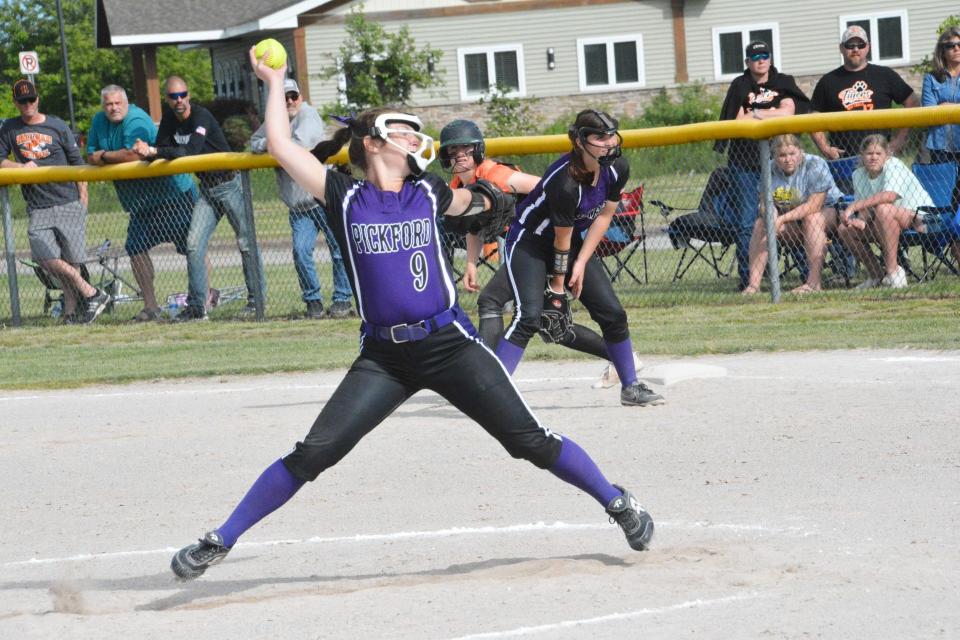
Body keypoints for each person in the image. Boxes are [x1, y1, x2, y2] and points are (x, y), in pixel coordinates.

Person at [169, 49, 654, 580]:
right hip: (384, 357)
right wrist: (276, 81)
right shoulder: (345, 195)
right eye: (403, 133)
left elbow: (497, 196)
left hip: (449, 344)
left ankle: (617, 502)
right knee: (314, 452)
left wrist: (492, 202)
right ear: (374, 143)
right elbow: (282, 144)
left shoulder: (427, 190)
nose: (415, 141)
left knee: (528, 442)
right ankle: (221, 538)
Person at [439, 120, 639, 386]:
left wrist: (543, 215)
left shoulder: (497, 174)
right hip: (527, 250)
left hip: (535, 241)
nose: (460, 156)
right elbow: (472, 225)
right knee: (551, 324)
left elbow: (546, 187)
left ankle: (485, 379)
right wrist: (472, 264)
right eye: (453, 151)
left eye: (465, 149)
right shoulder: (458, 185)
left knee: (491, 301)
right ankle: (622, 358)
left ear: (478, 150)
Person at [490, 109, 663, 407]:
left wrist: (581, 262)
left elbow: (605, 216)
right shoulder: (565, 181)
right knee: (529, 316)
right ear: (580, 141)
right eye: (599, 137)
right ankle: (492, 397)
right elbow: (560, 240)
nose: (609, 143)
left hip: (572, 243)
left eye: (611, 135)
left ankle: (630, 387)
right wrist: (558, 288)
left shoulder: (617, 167)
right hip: (530, 241)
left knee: (613, 313)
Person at [133, 76, 265, 321]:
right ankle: (196, 307)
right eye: (173, 97)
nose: (179, 100)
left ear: (189, 95)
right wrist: (146, 151)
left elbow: (190, 151)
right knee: (193, 244)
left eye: (182, 95)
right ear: (167, 99)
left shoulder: (201, 116)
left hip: (230, 184)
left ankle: (257, 304)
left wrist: (155, 151)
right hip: (207, 188)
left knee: (247, 244)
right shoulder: (170, 119)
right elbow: (161, 150)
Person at [0, 79, 111, 324]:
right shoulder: (9, 128)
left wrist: (83, 197)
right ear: (15, 102)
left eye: (31, 99)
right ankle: (92, 293)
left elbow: (77, 163)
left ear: (37, 99)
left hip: (67, 200)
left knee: (71, 261)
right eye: (22, 101)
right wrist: (20, 166)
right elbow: (0, 160)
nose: (27, 104)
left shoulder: (57, 125)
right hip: (38, 205)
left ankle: (70, 314)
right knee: (44, 257)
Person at [86, 84, 199, 321]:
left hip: (173, 195)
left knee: (193, 248)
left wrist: (105, 156)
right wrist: (102, 156)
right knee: (135, 249)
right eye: (108, 104)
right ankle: (151, 307)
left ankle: (201, 300)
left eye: (118, 103)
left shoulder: (136, 119)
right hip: (141, 205)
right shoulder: (99, 121)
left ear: (127, 103)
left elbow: (133, 154)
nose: (113, 108)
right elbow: (89, 154)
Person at [250, 78, 354, 319]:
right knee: (300, 251)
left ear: (301, 97)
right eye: (284, 97)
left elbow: (299, 144)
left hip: (322, 196)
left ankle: (342, 300)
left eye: (293, 96)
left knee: (338, 249)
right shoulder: (274, 121)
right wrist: (271, 142)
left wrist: (274, 144)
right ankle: (313, 302)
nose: (289, 101)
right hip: (298, 205)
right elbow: (254, 143)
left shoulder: (308, 114)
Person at [715, 40, 809, 290]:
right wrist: (772, 111)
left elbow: (789, 113)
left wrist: (755, 114)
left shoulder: (783, 81)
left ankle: (807, 276)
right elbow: (735, 121)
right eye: (755, 57)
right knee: (747, 222)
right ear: (747, 61)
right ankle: (749, 280)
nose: (760, 60)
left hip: (781, 163)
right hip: (744, 163)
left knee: (790, 216)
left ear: (770, 57)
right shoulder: (740, 85)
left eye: (764, 55)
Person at [742, 134, 844, 295]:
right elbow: (764, 202)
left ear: (800, 152)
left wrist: (781, 219)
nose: (787, 159)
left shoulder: (815, 164)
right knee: (761, 224)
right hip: (791, 220)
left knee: (812, 219)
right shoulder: (769, 168)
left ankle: (813, 283)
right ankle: (753, 286)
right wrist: (771, 216)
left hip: (828, 214)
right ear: (774, 156)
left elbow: (814, 206)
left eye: (792, 154)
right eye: (782, 155)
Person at [837, 134, 933, 289]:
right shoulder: (858, 174)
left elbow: (889, 196)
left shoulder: (894, 165)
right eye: (869, 153)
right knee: (845, 229)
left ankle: (893, 271)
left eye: (878, 153)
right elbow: (866, 209)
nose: (873, 157)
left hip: (921, 217)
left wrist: (853, 207)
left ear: (886, 155)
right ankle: (876, 275)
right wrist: (860, 220)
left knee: (884, 209)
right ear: (862, 155)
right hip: (885, 222)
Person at [811, 26, 919, 163]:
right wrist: (826, 149)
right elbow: (813, 117)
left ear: (868, 47)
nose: (855, 49)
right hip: (844, 161)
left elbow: (912, 103)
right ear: (841, 48)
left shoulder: (885, 75)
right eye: (850, 45)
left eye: (860, 45)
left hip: (880, 157)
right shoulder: (828, 81)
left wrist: (898, 142)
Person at [921, 26, 960, 265]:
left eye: (959, 44)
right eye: (950, 45)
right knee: (947, 203)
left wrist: (944, 106)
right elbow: (928, 111)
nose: (956, 49)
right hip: (939, 151)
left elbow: (938, 108)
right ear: (942, 50)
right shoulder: (932, 78)